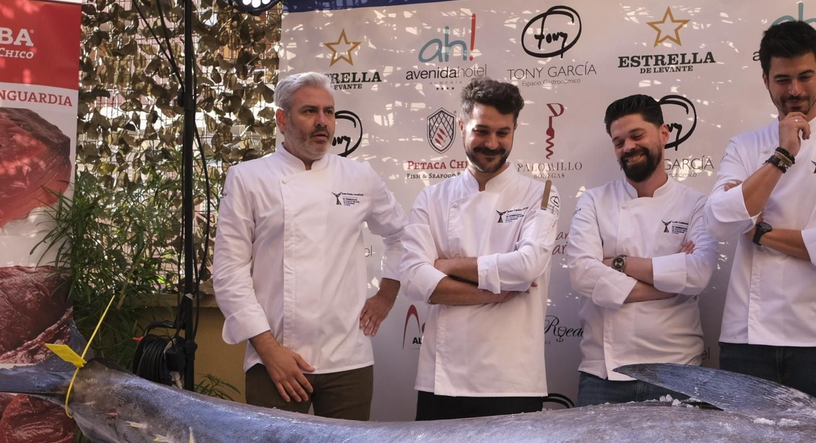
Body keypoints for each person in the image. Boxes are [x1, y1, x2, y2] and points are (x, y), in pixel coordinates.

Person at [705, 20, 816, 405]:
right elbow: (718, 221)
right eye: (783, 80)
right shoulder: (746, 145)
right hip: (748, 339)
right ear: (766, 79)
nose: (795, 91)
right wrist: (781, 156)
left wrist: (761, 231)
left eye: (805, 76)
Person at [213, 71, 406, 420]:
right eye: (309, 112)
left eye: (329, 112)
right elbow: (229, 274)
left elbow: (402, 236)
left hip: (349, 359)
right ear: (282, 118)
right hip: (276, 360)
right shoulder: (248, 178)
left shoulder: (360, 176)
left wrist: (387, 295)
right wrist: (270, 352)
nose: (323, 123)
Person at [400, 77, 559, 420]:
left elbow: (527, 266)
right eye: (481, 131)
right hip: (441, 380)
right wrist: (499, 292)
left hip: (511, 381)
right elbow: (414, 279)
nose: (492, 143)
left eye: (503, 133)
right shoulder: (432, 197)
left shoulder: (540, 194)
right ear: (461, 126)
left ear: (515, 130)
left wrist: (449, 266)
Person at [567, 94, 717, 405]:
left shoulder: (696, 204)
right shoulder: (594, 200)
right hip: (604, 375)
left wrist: (617, 263)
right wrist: (669, 283)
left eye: (637, 135)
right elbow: (582, 273)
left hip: (679, 373)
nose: (628, 147)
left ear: (664, 134)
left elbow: (698, 272)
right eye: (618, 141)